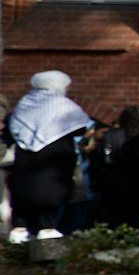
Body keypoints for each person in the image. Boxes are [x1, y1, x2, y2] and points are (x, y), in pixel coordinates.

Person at [5, 71, 95, 242]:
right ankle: (47, 227)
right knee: (50, 195)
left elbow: (13, 127)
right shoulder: (62, 105)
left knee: (24, 195)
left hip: (25, 158)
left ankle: (19, 228)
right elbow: (80, 126)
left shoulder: (25, 103)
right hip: (54, 159)